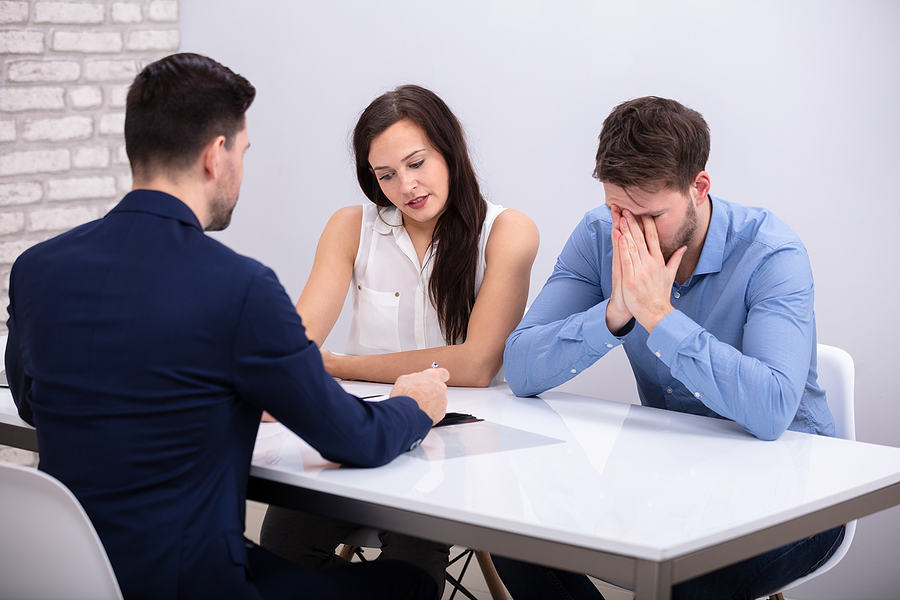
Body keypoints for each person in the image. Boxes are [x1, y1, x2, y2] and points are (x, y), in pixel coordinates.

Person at [5, 53, 448, 600]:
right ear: (217, 155)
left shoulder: (36, 269)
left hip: (70, 573)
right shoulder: (239, 287)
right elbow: (354, 439)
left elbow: (32, 403)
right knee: (405, 583)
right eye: (242, 151)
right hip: (193, 581)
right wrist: (414, 402)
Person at [493, 96, 845, 600]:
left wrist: (659, 316)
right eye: (619, 209)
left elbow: (770, 412)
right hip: (671, 474)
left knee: (685, 583)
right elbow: (521, 367)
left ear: (698, 188)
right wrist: (613, 315)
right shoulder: (599, 235)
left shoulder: (771, 253)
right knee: (513, 531)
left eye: (650, 214)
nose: (630, 230)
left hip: (797, 493)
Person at [260, 85, 539, 596]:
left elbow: (476, 365)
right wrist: (279, 380)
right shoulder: (351, 226)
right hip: (364, 430)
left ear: (449, 149)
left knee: (411, 569)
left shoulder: (507, 231)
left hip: (458, 445)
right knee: (281, 542)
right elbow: (294, 344)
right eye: (385, 174)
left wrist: (339, 366)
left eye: (417, 163)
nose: (405, 186)